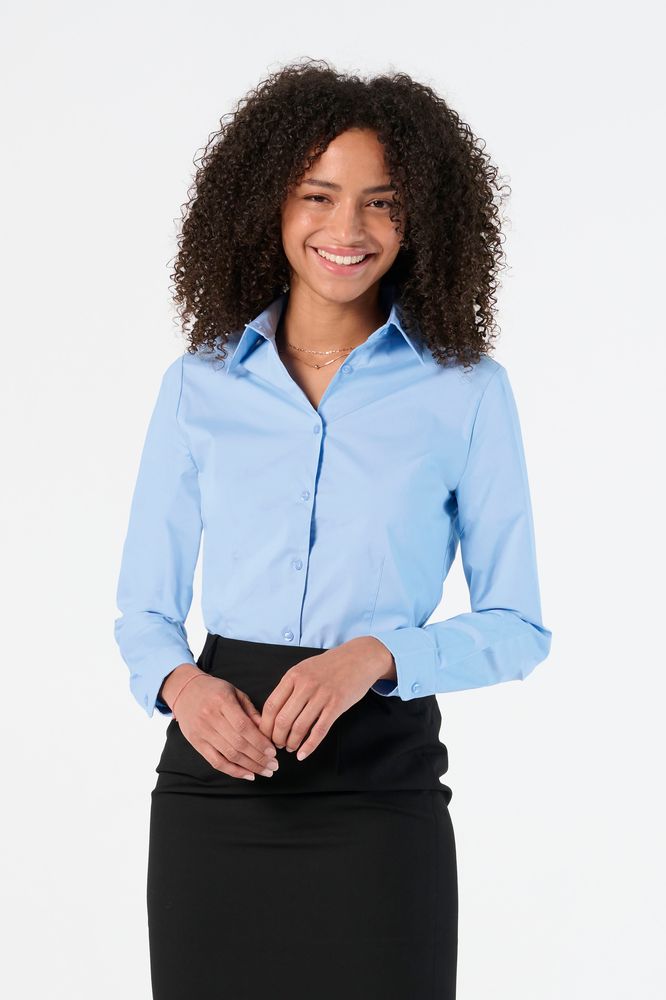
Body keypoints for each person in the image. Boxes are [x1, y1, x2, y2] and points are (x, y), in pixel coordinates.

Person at [113, 58, 552, 1000]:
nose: (347, 231)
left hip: (379, 793)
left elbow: (518, 626)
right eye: (318, 195)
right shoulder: (198, 385)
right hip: (213, 789)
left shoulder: (467, 391)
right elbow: (143, 612)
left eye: (381, 204)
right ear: (267, 205)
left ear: (420, 218)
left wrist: (375, 657)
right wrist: (182, 685)